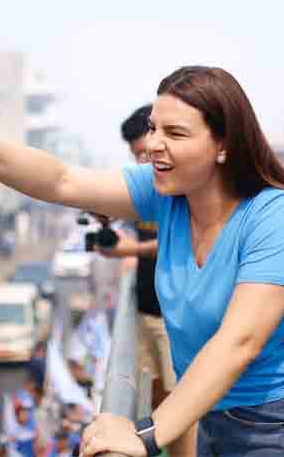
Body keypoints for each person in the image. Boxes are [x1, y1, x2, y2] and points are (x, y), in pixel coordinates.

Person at [0, 65, 284, 457]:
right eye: (152, 128)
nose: (151, 145)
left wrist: (144, 434)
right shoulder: (167, 194)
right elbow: (62, 180)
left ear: (224, 144)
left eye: (175, 133)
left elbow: (239, 341)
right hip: (214, 420)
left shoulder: (277, 212)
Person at [96, 104, 178, 412]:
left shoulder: (179, 189)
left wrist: (130, 250)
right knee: (155, 392)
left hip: (171, 316)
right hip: (145, 306)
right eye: (137, 156)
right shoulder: (148, 189)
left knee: (178, 400)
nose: (143, 162)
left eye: (146, 153)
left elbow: (179, 243)